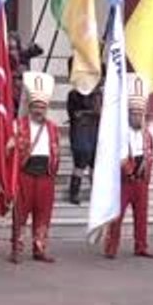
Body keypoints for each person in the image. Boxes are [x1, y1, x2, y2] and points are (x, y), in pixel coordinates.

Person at [104, 74, 153, 260]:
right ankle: (111, 247)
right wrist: (128, 170)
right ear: (127, 114)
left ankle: (141, 246)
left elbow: (150, 154)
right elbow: (115, 155)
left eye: (139, 113)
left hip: (141, 181)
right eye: (134, 113)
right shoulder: (120, 134)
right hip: (123, 181)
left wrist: (146, 173)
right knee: (116, 216)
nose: (137, 117)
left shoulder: (147, 135)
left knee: (142, 215)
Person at [8, 71, 60, 264]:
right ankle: (16, 249)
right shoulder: (18, 125)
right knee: (20, 214)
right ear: (30, 107)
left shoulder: (53, 128)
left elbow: (56, 150)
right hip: (26, 174)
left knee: (43, 214)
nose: (39, 110)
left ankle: (40, 248)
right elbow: (9, 148)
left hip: (45, 175)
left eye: (42, 107)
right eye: (36, 106)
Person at [66, 67, 103, 205]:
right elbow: (74, 114)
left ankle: (96, 193)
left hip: (94, 132)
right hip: (80, 133)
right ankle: (74, 193)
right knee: (80, 164)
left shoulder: (98, 95)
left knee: (94, 164)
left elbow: (100, 112)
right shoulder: (74, 95)